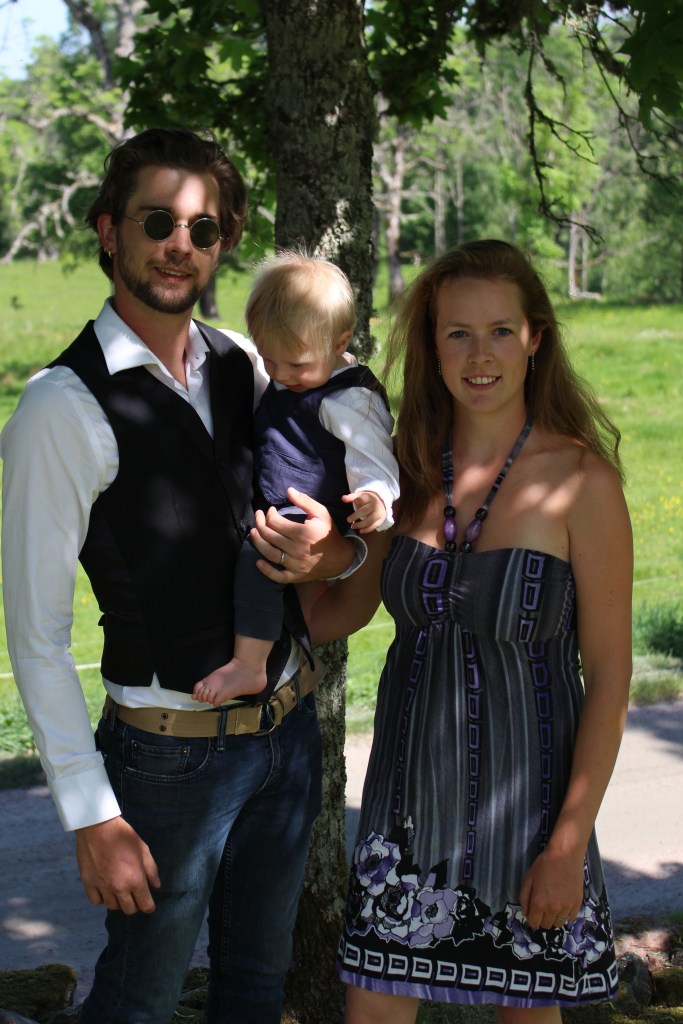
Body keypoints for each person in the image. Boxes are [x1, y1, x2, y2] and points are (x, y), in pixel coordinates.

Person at [0, 127, 381, 1024]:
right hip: (165, 758)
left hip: (286, 732)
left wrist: (335, 551)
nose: (181, 244)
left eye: (203, 229)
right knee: (140, 1001)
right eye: (156, 222)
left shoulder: (244, 362)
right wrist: (92, 816)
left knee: (255, 988)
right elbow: (36, 635)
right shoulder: (61, 406)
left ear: (224, 241)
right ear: (109, 230)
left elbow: (321, 518)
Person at [310, 239, 633, 1023]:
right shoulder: (403, 471)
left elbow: (610, 676)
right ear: (432, 344)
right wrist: (290, 562)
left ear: (535, 338)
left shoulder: (581, 481)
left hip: (530, 826)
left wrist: (567, 845)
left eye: (499, 332)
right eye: (457, 332)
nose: (479, 355)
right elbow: (340, 614)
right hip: (403, 819)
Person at [192, 250, 399, 705]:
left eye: (297, 365)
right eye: (271, 361)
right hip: (285, 498)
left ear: (341, 341)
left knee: (260, 557)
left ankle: (250, 665)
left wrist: (375, 498)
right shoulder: (293, 373)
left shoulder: (351, 400)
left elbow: (375, 457)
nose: (282, 375)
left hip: (317, 511)